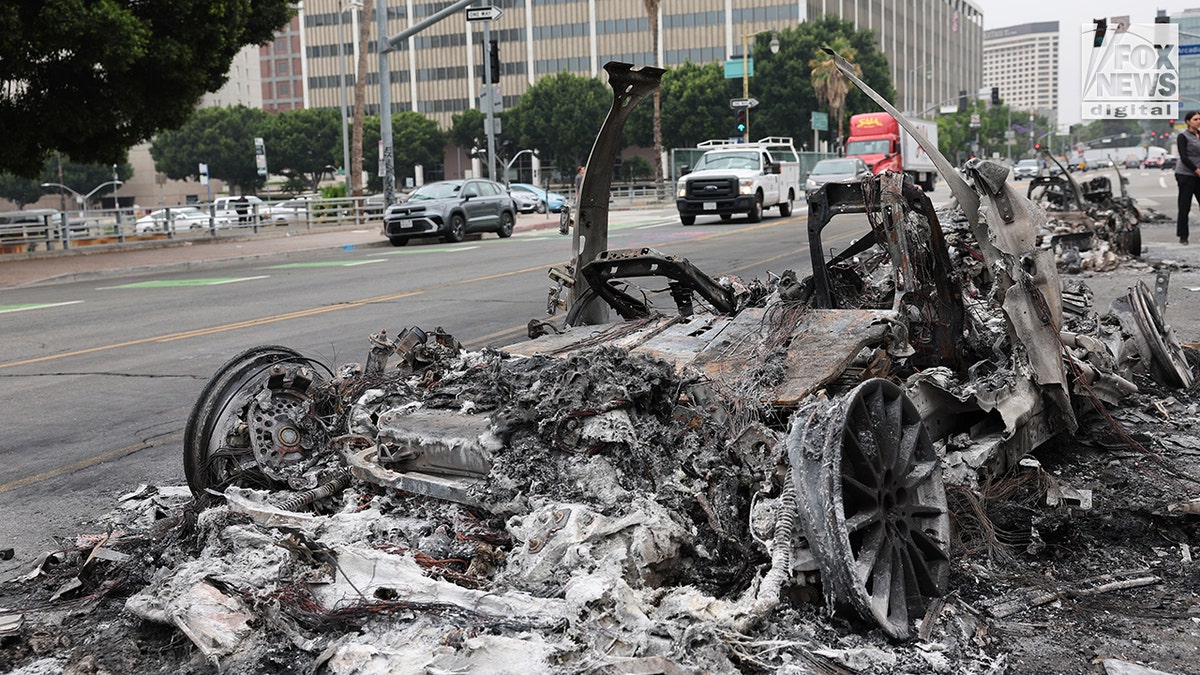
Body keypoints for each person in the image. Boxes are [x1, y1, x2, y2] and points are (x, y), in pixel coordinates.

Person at [1174, 110, 1200, 245]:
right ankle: (1183, 236)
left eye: (1199, 119)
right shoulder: (1183, 136)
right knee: (1185, 206)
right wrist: (1196, 170)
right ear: (1188, 121)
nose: (1198, 121)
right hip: (1186, 174)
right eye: (1195, 119)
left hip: (1199, 174)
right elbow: (1184, 157)